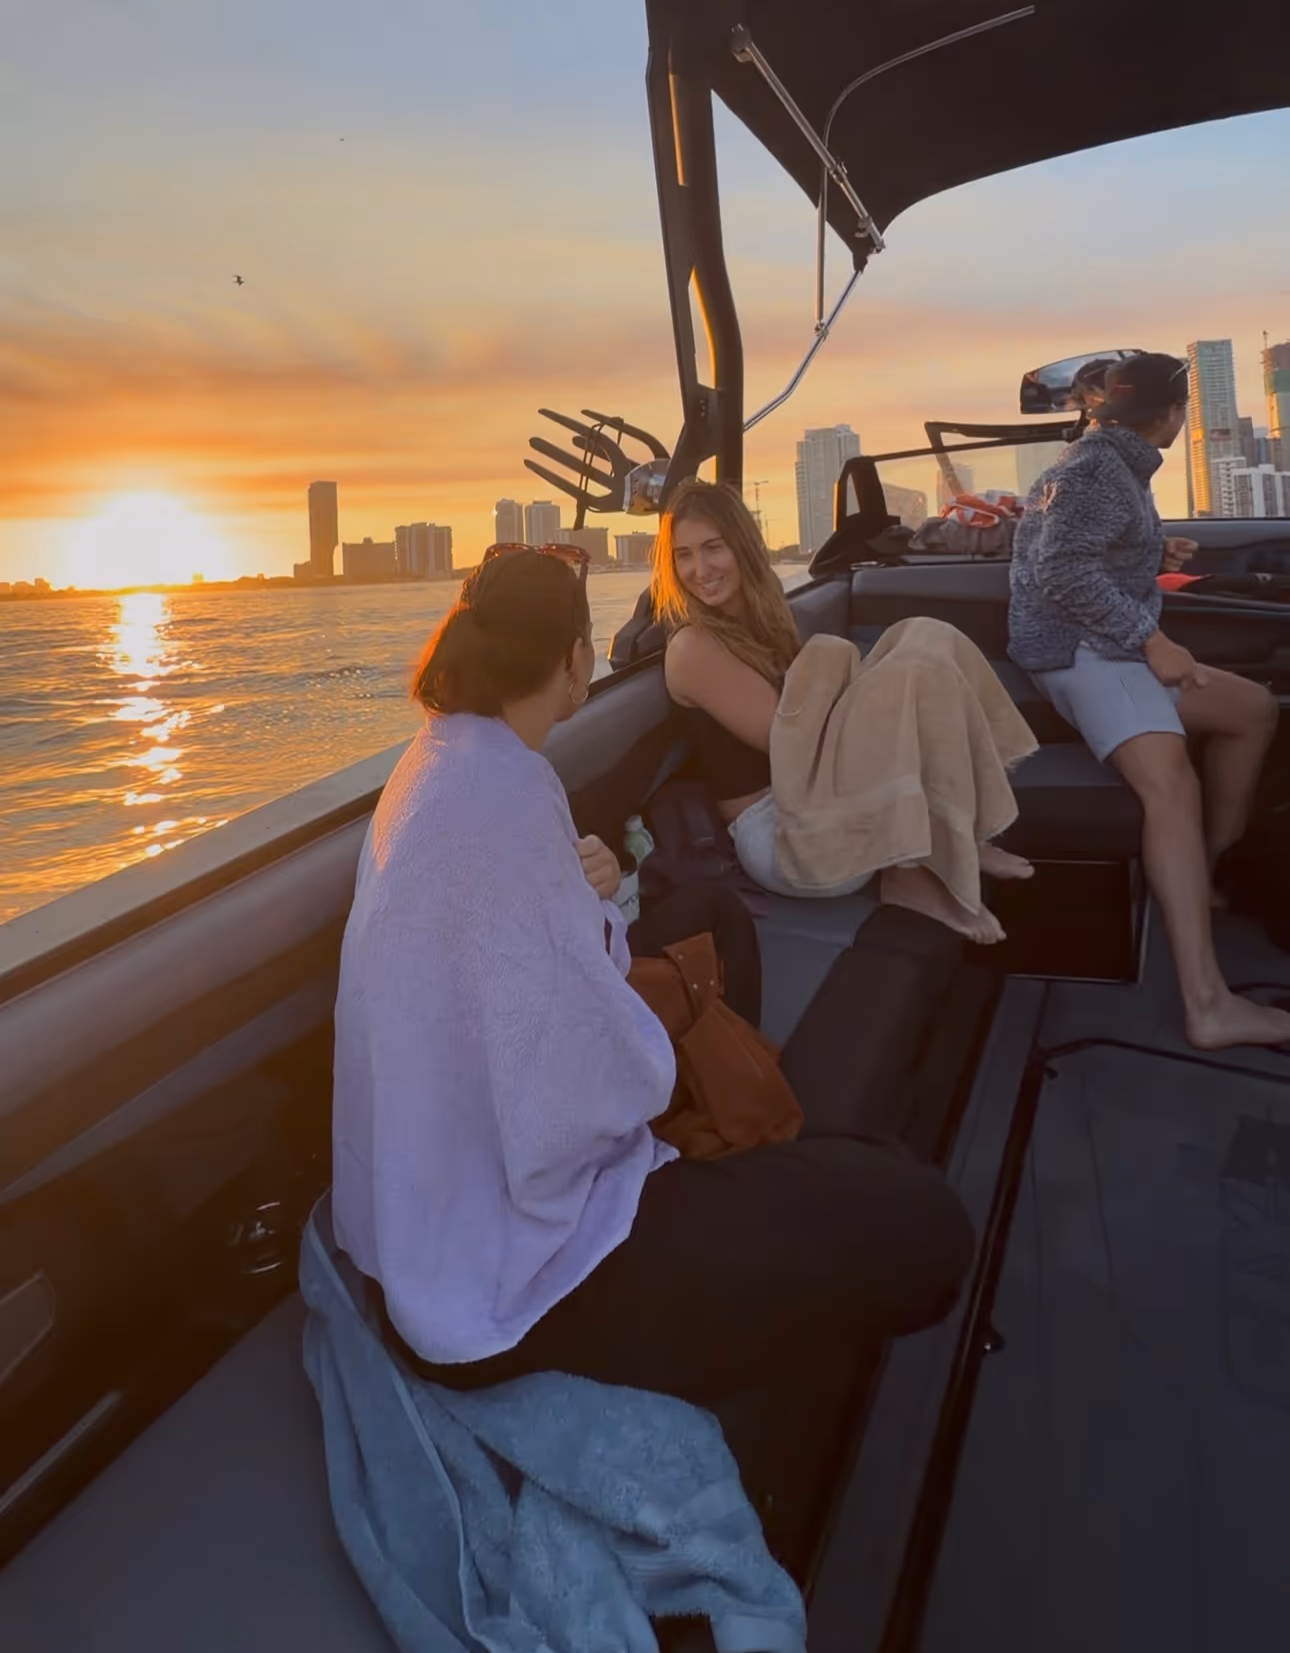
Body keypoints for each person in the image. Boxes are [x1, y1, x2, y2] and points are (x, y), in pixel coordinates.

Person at [331, 542, 972, 1444]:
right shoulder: (510, 795)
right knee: (923, 1224)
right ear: (574, 661)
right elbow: (587, 1099)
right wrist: (638, 1029)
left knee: (711, 910)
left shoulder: (440, 765)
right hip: (510, 1280)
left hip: (432, 1204)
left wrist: (592, 911)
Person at [1009, 351, 1288, 1052]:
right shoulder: (1101, 469)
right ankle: (1208, 1003)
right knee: (1170, 784)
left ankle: (1210, 874)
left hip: (1092, 642)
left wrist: (1153, 549)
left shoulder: (1103, 461)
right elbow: (1061, 566)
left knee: (1253, 709)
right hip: (1085, 652)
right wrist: (1150, 638)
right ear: (1170, 415)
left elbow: (1073, 541)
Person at [654, 479, 1038, 943]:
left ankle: (954, 837)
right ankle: (909, 873)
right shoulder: (693, 647)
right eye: (684, 555)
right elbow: (794, 746)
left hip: (818, 796)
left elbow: (814, 734)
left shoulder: (761, 620)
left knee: (925, 636)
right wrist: (872, 689)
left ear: (742, 545)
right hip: (785, 836)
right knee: (910, 669)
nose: (699, 569)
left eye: (712, 548)